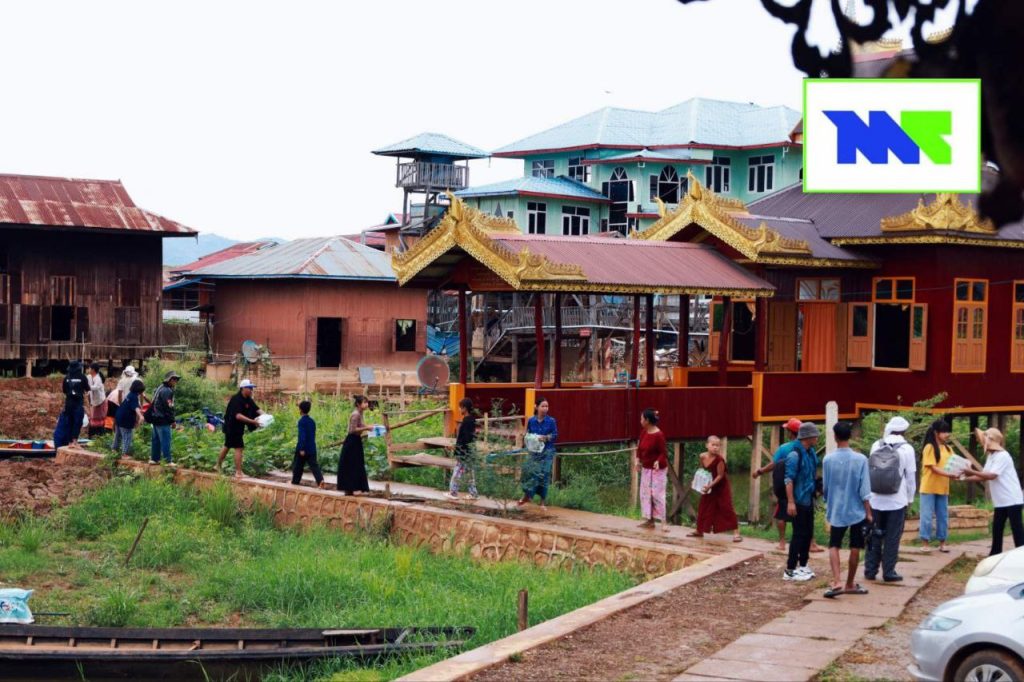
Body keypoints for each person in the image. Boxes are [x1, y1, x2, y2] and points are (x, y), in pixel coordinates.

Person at [753, 418, 824, 553]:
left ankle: (782, 542)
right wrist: (816, 486)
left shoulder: (784, 448)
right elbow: (813, 467)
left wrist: (759, 471)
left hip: (787, 488)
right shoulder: (809, 449)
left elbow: (773, 464)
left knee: (782, 515)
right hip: (804, 489)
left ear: (791, 433)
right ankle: (812, 543)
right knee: (808, 516)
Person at [822, 421, 873, 598]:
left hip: (837, 508)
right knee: (855, 546)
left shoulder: (828, 460)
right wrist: (868, 512)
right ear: (850, 436)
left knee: (834, 545)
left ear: (835, 437)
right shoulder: (861, 459)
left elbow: (826, 487)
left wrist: (828, 502)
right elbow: (865, 490)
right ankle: (850, 583)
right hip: (856, 510)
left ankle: (837, 581)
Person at [865, 416, 917, 583]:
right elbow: (910, 477)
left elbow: (870, 471)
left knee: (874, 535)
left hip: (875, 499)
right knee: (892, 537)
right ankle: (888, 571)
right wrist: (910, 498)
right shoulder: (907, 449)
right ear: (904, 431)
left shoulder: (876, 445)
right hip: (897, 500)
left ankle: (870, 570)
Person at [962, 427, 1024, 556]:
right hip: (1001, 500)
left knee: (1017, 531)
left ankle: (1020, 557)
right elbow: (983, 475)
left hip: (1012, 499)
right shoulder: (991, 456)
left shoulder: (1003, 456)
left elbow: (991, 475)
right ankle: (994, 555)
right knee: (997, 529)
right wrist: (964, 478)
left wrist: (970, 471)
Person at [784, 422, 820, 581]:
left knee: (808, 533)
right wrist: (791, 502)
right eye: (815, 435)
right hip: (797, 501)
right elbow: (788, 480)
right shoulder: (795, 455)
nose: (817, 438)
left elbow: (812, 474)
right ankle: (790, 569)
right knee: (798, 535)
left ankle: (803, 565)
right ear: (808, 437)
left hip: (808, 499)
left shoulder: (810, 453)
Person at [691, 435, 742, 542]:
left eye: (718, 445)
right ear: (707, 445)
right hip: (709, 485)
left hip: (721, 486)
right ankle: (699, 531)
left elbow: (720, 476)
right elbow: (702, 469)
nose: (715, 447)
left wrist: (709, 486)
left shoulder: (719, 460)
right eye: (713, 445)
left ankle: (736, 533)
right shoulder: (702, 456)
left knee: (727, 507)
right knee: (703, 506)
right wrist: (696, 480)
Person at [919, 419, 958, 553]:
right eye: (944, 432)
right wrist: (949, 474)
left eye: (948, 431)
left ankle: (943, 542)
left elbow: (955, 463)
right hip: (929, 488)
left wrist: (962, 470)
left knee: (943, 516)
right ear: (936, 432)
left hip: (943, 487)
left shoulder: (948, 449)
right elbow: (933, 468)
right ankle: (925, 543)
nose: (947, 434)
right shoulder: (929, 447)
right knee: (926, 516)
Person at [216, 379, 262, 478]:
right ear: (243, 388)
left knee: (227, 446)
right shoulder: (236, 399)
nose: (251, 390)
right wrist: (253, 422)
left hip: (237, 427)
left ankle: (217, 466)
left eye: (252, 388)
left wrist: (265, 416)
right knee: (239, 448)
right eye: (249, 388)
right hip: (232, 427)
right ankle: (238, 472)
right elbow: (238, 416)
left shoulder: (248, 399)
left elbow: (256, 409)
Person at [519, 399, 558, 508]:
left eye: (547, 406)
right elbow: (528, 433)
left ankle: (542, 501)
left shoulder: (551, 421)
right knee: (528, 472)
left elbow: (555, 435)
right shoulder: (531, 420)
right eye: (543, 406)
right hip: (534, 451)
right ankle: (527, 495)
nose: (545, 408)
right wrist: (527, 438)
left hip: (547, 452)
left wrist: (546, 437)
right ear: (536, 407)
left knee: (544, 475)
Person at [635, 408, 669, 532]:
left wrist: (658, 461)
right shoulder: (644, 432)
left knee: (657, 495)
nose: (640, 421)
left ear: (647, 420)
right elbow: (639, 448)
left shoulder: (659, 435)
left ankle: (664, 522)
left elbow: (663, 453)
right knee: (646, 494)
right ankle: (650, 521)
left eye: (641, 419)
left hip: (658, 470)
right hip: (646, 469)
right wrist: (637, 460)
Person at [338, 395, 373, 495]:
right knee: (351, 465)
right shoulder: (356, 414)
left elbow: (360, 425)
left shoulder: (360, 413)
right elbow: (352, 430)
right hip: (351, 442)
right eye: (364, 402)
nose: (366, 404)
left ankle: (354, 488)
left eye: (367, 402)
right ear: (358, 404)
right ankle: (349, 488)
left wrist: (370, 427)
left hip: (356, 441)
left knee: (357, 464)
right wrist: (366, 428)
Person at [448, 397, 479, 499]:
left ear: (465, 408)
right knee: (469, 473)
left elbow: (465, 438)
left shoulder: (466, 421)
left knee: (457, 472)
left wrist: (458, 449)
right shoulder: (472, 420)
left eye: (460, 407)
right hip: (470, 451)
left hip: (464, 452)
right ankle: (473, 494)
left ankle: (453, 493)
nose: (459, 410)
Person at [291, 400, 325, 488]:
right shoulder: (312, 421)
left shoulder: (301, 421)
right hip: (312, 447)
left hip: (303, 448)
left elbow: (302, 436)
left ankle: (295, 482)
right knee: (314, 466)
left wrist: (301, 448)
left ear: (300, 410)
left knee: (298, 466)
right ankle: (320, 481)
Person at [54, 360, 88, 447]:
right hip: (78, 403)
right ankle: (75, 441)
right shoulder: (82, 377)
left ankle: (69, 442)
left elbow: (64, 390)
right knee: (78, 422)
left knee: (69, 422)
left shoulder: (66, 378)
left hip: (69, 403)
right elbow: (87, 388)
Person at [149, 370, 179, 466]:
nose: (175, 381)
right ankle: (168, 461)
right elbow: (168, 408)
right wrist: (172, 421)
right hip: (163, 419)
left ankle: (155, 459)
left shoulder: (160, 388)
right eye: (174, 379)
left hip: (155, 418)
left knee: (156, 440)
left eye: (176, 379)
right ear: (169, 380)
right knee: (165, 440)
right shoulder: (167, 391)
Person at [112, 379, 145, 457]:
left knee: (118, 435)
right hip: (125, 419)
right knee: (127, 436)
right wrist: (140, 416)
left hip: (119, 416)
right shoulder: (134, 397)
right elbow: (136, 407)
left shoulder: (130, 394)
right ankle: (125, 454)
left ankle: (114, 450)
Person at [86, 363, 107, 436]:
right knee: (93, 418)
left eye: (89, 368)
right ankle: (93, 435)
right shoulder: (89, 377)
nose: (88, 369)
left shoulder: (98, 378)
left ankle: (99, 435)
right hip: (94, 401)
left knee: (98, 419)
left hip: (100, 402)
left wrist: (87, 387)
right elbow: (86, 383)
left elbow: (95, 387)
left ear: (93, 370)